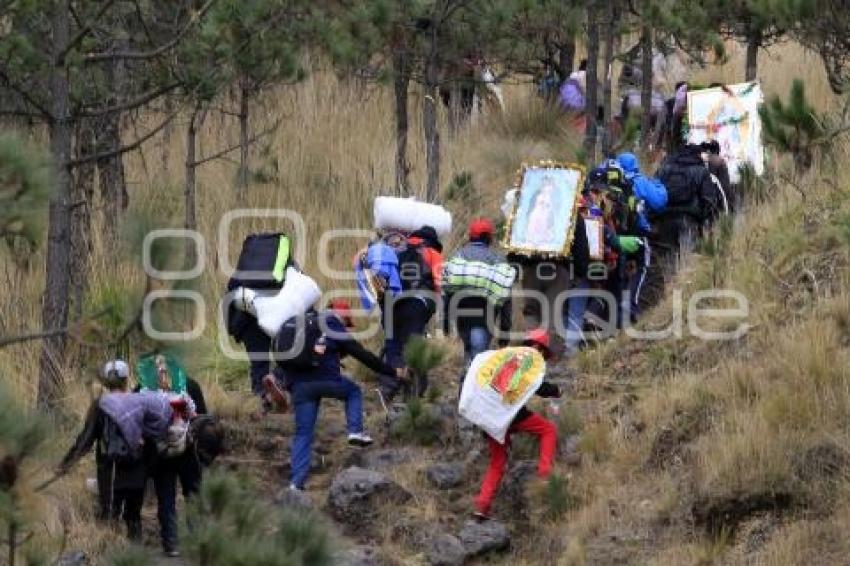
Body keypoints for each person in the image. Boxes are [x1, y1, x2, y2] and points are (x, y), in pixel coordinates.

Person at [285, 304, 397, 491]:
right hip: (326, 380)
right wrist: (391, 371)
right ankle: (355, 431)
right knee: (353, 392)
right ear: (341, 317)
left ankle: (296, 484)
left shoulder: (304, 325)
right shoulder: (332, 324)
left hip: (300, 386)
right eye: (347, 322)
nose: (347, 326)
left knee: (303, 434)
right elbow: (361, 354)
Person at [58, 360, 172, 542]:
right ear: (126, 379)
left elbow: (85, 439)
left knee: (110, 518)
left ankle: (111, 553)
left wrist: (65, 464)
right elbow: (152, 436)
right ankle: (135, 556)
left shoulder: (100, 405)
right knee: (133, 518)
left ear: (106, 381)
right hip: (136, 472)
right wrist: (149, 469)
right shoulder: (138, 402)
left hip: (110, 473)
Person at [473, 330, 562, 520]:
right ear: (538, 347)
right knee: (549, 430)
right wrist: (555, 390)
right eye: (544, 353)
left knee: (497, 462)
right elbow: (535, 385)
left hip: (489, 415)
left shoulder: (508, 357)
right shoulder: (527, 359)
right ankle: (545, 473)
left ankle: (482, 506)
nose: (543, 359)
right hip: (510, 414)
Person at [139, 354, 205, 557]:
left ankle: (171, 543)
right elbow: (200, 418)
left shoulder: (144, 391)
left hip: (160, 452)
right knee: (193, 494)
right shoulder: (190, 386)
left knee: (166, 498)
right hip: (187, 450)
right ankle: (197, 539)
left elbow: (137, 421)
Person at [442, 218, 514, 378]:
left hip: (462, 314)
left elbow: (447, 291)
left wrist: (445, 322)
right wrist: (504, 331)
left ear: (471, 237)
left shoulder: (457, 256)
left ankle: (465, 394)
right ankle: (468, 392)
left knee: (471, 350)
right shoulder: (499, 260)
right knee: (477, 357)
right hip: (485, 315)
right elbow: (505, 298)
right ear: (489, 237)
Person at [383, 225, 443, 398]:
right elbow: (441, 284)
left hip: (390, 304)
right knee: (413, 347)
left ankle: (388, 387)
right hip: (416, 304)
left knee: (392, 345)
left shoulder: (395, 249)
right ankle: (415, 391)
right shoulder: (432, 254)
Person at [656, 143, 723, 260]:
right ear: (697, 155)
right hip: (689, 220)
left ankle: (667, 278)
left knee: (665, 261)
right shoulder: (701, 171)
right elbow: (709, 201)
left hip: (663, 219)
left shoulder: (664, 169)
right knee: (688, 260)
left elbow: (653, 191)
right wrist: (705, 222)